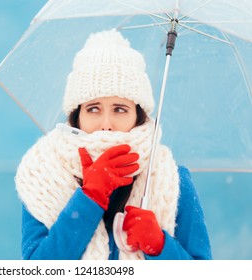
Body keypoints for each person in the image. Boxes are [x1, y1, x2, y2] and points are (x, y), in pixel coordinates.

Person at [15, 29, 212, 260]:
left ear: (138, 115)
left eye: (119, 109)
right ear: (76, 115)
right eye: (93, 108)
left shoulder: (174, 180)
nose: (106, 124)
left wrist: (160, 246)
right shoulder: (43, 178)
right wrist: (89, 199)